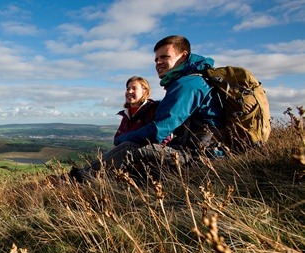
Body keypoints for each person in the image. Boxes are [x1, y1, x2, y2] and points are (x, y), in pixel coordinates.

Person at [71, 35, 224, 183]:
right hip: (195, 150)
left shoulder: (187, 85)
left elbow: (158, 131)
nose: (158, 62)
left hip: (199, 156)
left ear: (183, 56)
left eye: (165, 57)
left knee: (128, 148)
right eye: (156, 59)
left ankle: (77, 180)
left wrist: (122, 139)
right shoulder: (187, 82)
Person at [69, 76, 160, 182]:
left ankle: (78, 178)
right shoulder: (128, 114)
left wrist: (125, 139)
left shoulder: (152, 109)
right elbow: (117, 139)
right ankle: (82, 178)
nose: (129, 91)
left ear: (145, 91)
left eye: (134, 88)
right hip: (130, 159)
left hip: (146, 158)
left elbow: (157, 136)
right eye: (127, 88)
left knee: (125, 147)